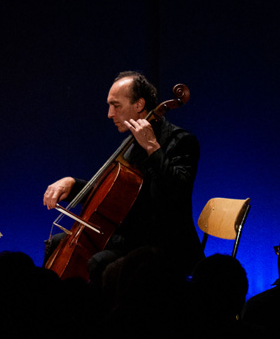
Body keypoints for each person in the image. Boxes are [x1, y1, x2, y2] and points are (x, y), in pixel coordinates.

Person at [43, 70, 201, 280]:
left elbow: (179, 190)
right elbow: (111, 195)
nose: (110, 114)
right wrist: (72, 184)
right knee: (56, 243)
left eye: (116, 105)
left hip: (163, 242)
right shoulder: (131, 143)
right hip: (130, 237)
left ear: (139, 104)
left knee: (99, 262)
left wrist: (153, 148)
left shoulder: (180, 141)